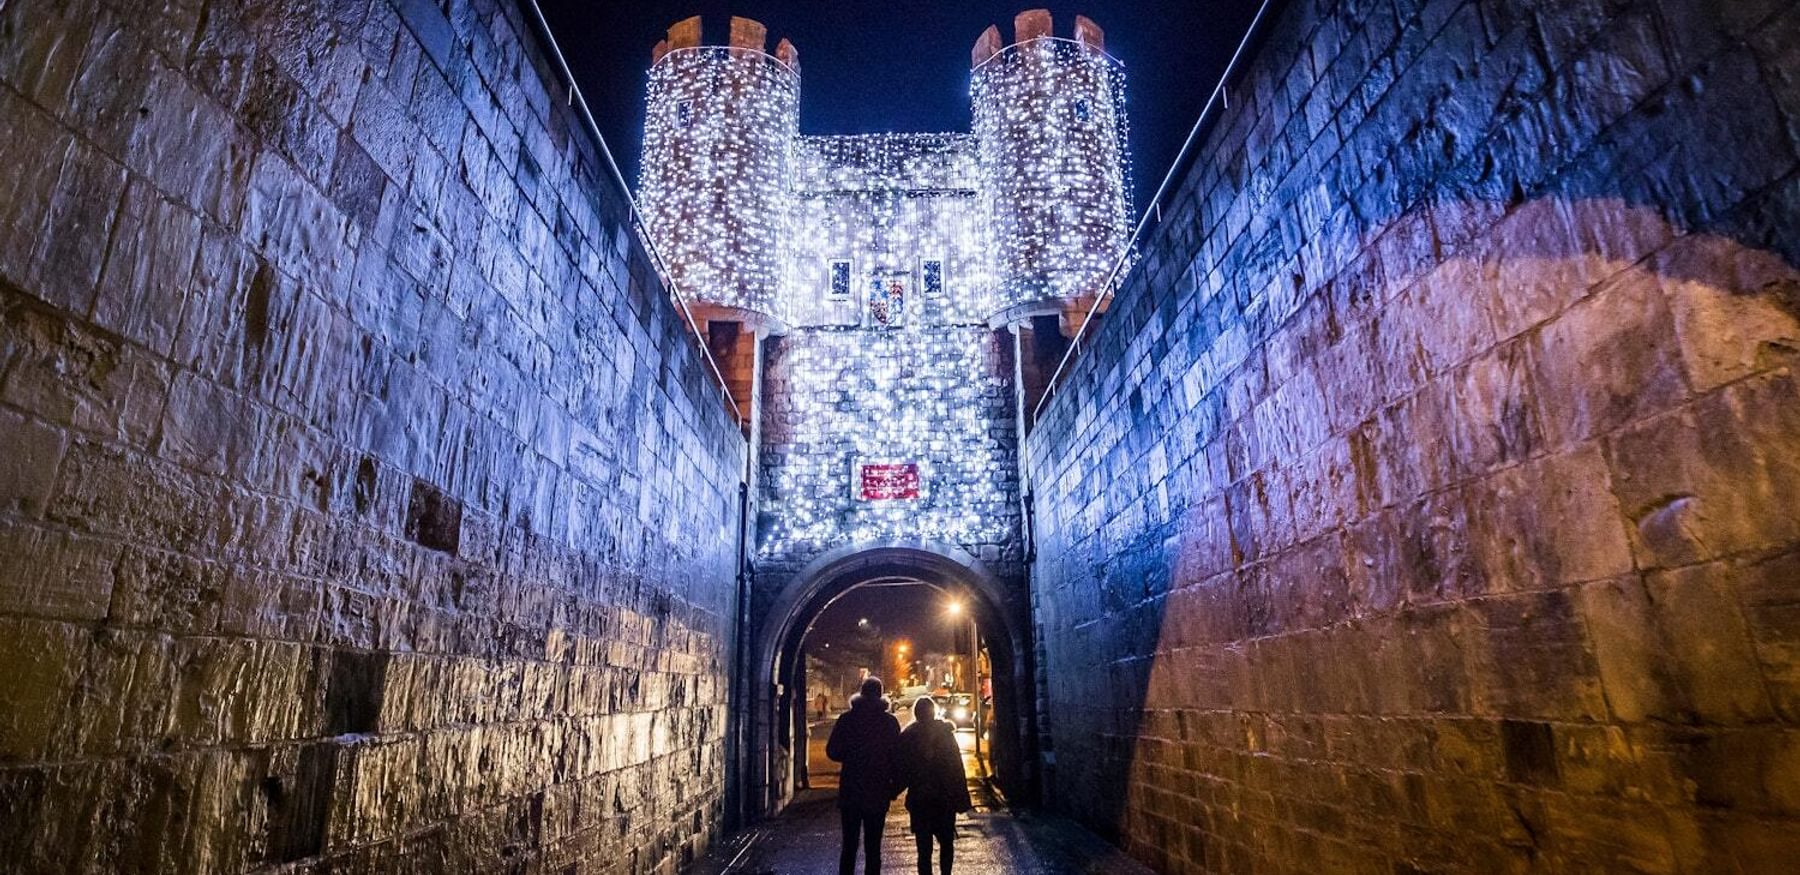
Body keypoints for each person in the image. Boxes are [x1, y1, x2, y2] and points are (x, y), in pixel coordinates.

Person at [826, 676, 901, 874]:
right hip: (878, 790)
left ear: (861, 692)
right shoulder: (889, 722)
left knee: (849, 845)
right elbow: (898, 757)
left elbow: (832, 751)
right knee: (873, 846)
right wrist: (893, 787)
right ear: (880, 693)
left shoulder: (847, 719)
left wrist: (851, 756)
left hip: (851, 790)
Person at [896, 696, 972, 875]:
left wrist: (892, 789)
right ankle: (946, 873)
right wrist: (961, 796)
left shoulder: (909, 736)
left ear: (916, 713)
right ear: (933, 711)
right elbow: (956, 767)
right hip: (944, 798)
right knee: (946, 842)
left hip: (920, 799)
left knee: (923, 849)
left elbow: (902, 769)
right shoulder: (946, 734)